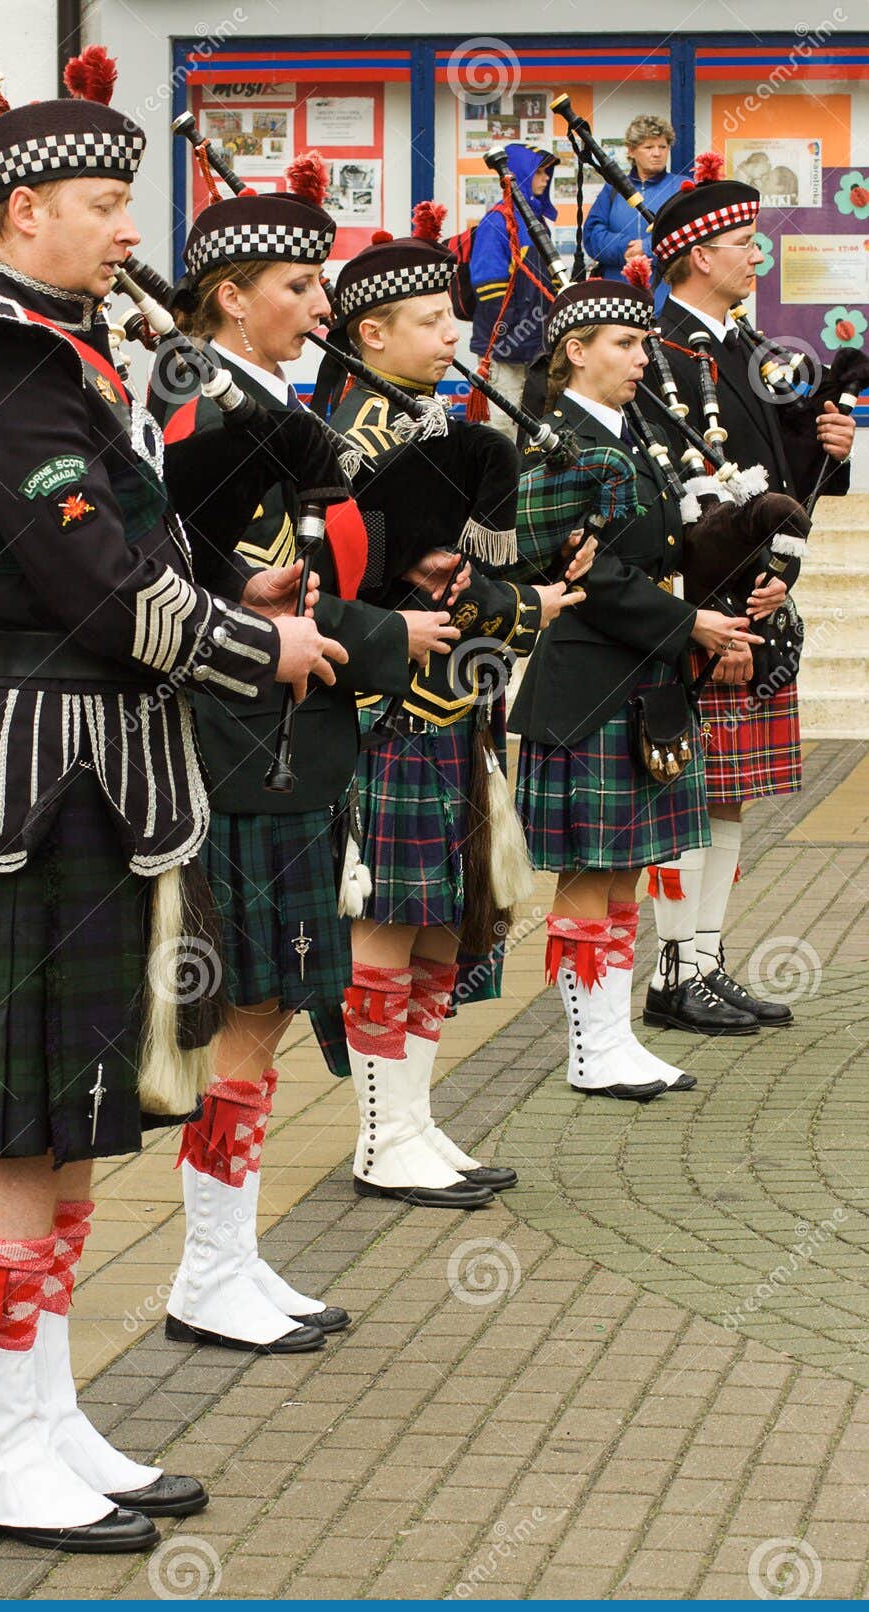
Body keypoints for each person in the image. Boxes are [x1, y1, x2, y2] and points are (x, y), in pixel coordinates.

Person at [0, 93, 346, 1553]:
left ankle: (48, 1418)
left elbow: (122, 552)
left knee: (67, 1120)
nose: (131, 231)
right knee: (18, 1127)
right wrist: (258, 648)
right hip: (36, 787)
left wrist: (230, 590)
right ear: (22, 211)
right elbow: (99, 593)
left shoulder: (49, 351)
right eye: (107, 204)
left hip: (100, 777)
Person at [150, 163, 464, 1342]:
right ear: (232, 297)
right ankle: (208, 1269)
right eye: (298, 284)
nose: (321, 304)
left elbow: (282, 572)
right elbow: (204, 593)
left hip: (290, 739)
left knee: (269, 1005)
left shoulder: (255, 397)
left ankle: (230, 1256)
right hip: (244, 738)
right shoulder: (200, 410)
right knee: (244, 1009)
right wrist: (385, 636)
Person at [324, 210, 591, 1204]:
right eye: (432, 321)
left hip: (451, 710)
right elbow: (388, 587)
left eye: (453, 318)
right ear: (371, 333)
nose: (455, 336)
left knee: (441, 925)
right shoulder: (351, 440)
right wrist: (531, 607)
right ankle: (379, 1136)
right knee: (389, 926)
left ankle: (414, 1119)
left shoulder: (432, 424)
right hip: (389, 712)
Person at [511, 278, 763, 1098]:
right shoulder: (556, 441)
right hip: (587, 683)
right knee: (591, 873)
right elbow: (581, 572)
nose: (641, 358)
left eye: (643, 344)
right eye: (624, 343)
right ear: (576, 351)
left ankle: (614, 1039)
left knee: (625, 871)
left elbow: (659, 548)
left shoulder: (633, 434)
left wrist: (746, 537)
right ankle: (591, 1051)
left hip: (639, 678)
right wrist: (689, 624)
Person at [642, 163, 855, 1035]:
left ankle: (704, 960)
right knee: (686, 795)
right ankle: (671, 973)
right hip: (705, 605)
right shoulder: (655, 351)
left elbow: (778, 479)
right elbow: (676, 496)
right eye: (741, 243)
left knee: (726, 797)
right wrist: (719, 608)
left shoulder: (748, 349)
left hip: (759, 596)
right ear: (696, 256)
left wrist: (828, 446)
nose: (756, 255)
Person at [469, 143, 559, 433]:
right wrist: (510, 338)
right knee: (502, 426)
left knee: (532, 426)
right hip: (506, 349)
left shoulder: (536, 221)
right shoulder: (497, 221)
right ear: (522, 173)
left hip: (535, 347)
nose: (546, 178)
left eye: (547, 172)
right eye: (540, 171)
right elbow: (488, 287)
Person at [583, 115, 683, 297]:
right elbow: (592, 236)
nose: (657, 153)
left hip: (667, 294)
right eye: (649, 147)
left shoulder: (681, 187)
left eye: (663, 147)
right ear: (631, 151)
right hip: (617, 294)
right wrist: (625, 248)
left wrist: (647, 248)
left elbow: (691, 236)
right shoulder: (613, 189)